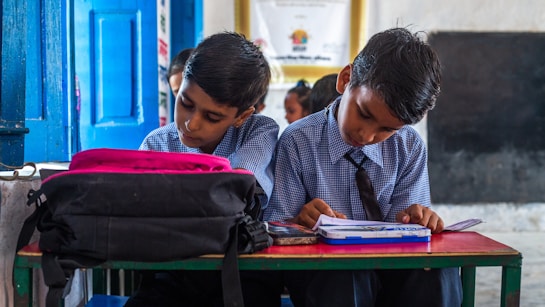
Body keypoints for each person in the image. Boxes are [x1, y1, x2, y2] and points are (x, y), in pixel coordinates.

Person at [262, 27, 462, 306]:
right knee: (345, 271)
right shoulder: (297, 142)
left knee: (436, 270)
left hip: (391, 271)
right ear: (346, 80)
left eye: (387, 129)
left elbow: (411, 238)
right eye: (364, 113)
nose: (366, 136)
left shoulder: (409, 146)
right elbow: (277, 231)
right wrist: (298, 222)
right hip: (327, 275)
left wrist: (417, 220)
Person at [126, 31, 279, 307]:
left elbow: (235, 186)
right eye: (185, 103)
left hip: (243, 273)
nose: (191, 124)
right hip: (173, 272)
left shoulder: (258, 131)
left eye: (212, 116)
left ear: (243, 116)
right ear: (180, 82)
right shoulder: (157, 143)